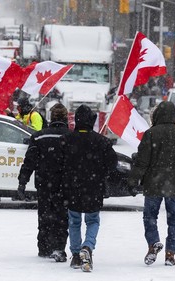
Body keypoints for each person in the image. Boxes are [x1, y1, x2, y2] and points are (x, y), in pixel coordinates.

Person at [128, 101, 175, 267]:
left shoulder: (151, 134)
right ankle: (170, 253)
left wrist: (132, 180)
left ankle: (153, 244)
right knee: (174, 220)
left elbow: (142, 161)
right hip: (174, 185)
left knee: (150, 216)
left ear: (157, 114)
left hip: (153, 183)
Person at [60, 104, 118, 272]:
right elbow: (112, 164)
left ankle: (76, 254)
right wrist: (101, 174)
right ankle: (88, 246)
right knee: (92, 220)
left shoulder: (66, 140)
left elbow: (59, 164)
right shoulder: (102, 141)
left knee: (74, 221)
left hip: (72, 187)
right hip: (94, 187)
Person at [17, 103, 70, 262]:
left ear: (50, 117)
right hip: (64, 184)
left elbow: (29, 161)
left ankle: (44, 247)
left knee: (45, 215)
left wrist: (22, 182)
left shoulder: (39, 136)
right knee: (62, 217)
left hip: (44, 183)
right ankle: (59, 247)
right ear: (65, 118)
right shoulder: (71, 137)